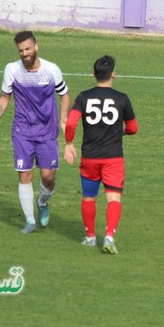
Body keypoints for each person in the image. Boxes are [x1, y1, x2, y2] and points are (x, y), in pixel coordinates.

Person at [0, 31, 71, 234]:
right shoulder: (12, 70)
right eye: (21, 50)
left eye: (28, 48)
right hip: (22, 131)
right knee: (25, 174)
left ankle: (43, 202)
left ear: (36, 47)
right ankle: (30, 221)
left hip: (47, 132)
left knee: (48, 178)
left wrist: (63, 120)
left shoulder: (51, 70)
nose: (25, 53)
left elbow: (64, 95)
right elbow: (4, 97)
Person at [64, 55, 138, 254]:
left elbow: (70, 123)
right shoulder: (122, 98)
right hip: (113, 158)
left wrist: (69, 143)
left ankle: (89, 237)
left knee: (89, 197)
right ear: (113, 74)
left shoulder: (84, 97)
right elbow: (133, 128)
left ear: (93, 74)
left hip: (90, 158)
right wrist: (120, 131)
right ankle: (109, 236)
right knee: (114, 198)